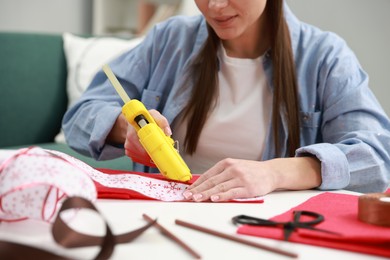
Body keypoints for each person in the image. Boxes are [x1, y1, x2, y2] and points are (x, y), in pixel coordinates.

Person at [62, 0, 390, 202]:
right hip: (161, 219)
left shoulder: (325, 57)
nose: (215, 6)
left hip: (262, 229)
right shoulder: (169, 39)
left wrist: (277, 173)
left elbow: (377, 159)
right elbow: (80, 115)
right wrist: (125, 129)